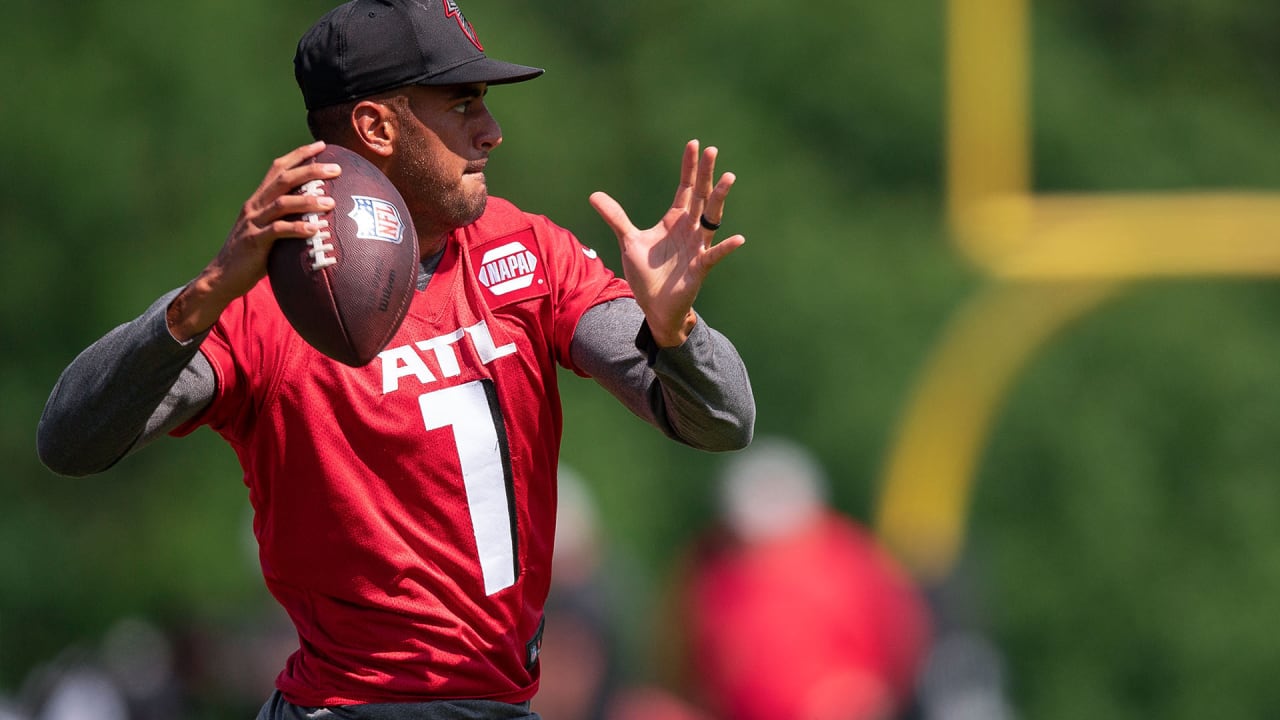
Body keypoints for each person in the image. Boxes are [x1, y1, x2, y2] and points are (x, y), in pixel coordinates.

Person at [35, 1, 755, 718]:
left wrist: (675, 328)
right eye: (463, 103)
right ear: (378, 126)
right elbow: (68, 441)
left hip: (499, 707)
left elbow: (723, 422)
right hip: (345, 710)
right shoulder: (259, 302)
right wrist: (205, 294)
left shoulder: (527, 253)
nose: (493, 132)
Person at [675, 437, 930, 720]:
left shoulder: (851, 561)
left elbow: (900, 638)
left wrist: (866, 695)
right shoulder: (711, 570)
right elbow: (684, 660)